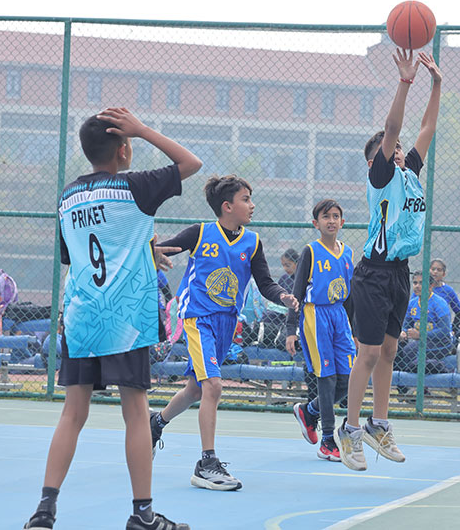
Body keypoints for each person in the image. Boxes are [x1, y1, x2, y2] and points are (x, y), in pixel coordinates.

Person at [24, 107, 201, 530]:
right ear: (124, 149)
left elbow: (85, 254)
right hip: (126, 318)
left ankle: (44, 511)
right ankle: (143, 514)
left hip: (81, 315)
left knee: (72, 413)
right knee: (136, 412)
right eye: (130, 141)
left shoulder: (68, 197)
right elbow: (190, 163)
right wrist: (143, 128)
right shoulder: (136, 186)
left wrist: (144, 250)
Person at [148, 174, 299, 491]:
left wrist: (283, 296)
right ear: (227, 206)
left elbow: (265, 282)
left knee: (195, 390)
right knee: (213, 386)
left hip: (227, 322)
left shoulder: (252, 242)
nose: (252, 205)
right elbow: (162, 250)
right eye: (246, 199)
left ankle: (155, 423)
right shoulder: (200, 233)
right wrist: (152, 250)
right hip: (198, 317)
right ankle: (207, 464)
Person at [335, 48, 442, 472]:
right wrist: (405, 81)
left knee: (390, 351)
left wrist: (437, 84)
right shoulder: (380, 177)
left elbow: (426, 127)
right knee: (367, 353)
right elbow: (394, 126)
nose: (397, 149)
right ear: (375, 159)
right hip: (373, 274)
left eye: (398, 148)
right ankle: (349, 429)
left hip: (399, 273)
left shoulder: (409, 171)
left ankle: (378, 424)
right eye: (390, 147)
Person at [286, 199, 356, 462]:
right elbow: (297, 292)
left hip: (339, 316)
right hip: (315, 315)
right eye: (326, 216)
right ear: (316, 223)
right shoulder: (310, 252)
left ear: (342, 222)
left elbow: (351, 295)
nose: (331, 220)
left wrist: (355, 329)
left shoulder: (348, 253)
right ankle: (328, 440)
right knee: (326, 377)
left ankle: (310, 410)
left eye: (336, 216)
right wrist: (291, 328)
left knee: (348, 378)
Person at [396, 271, 452, 374]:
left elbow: (444, 331)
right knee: (396, 347)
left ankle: (413, 379)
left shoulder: (439, 303)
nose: (417, 286)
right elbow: (406, 325)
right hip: (418, 340)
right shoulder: (412, 303)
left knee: (410, 350)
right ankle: (400, 378)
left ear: (431, 286)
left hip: (439, 343)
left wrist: (421, 335)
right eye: (415, 283)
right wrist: (404, 333)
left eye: (421, 283)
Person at [260, 248, 299, 349]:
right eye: (283, 265)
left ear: (297, 263)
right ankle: (267, 338)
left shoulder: (301, 280)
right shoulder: (284, 279)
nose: (285, 268)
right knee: (267, 316)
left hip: (295, 312)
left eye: (288, 265)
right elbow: (276, 299)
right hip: (281, 312)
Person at [429, 258, 460, 332]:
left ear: (443, 274)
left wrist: (454, 329)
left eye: (439, 270)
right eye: (433, 269)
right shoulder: (422, 288)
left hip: (440, 329)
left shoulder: (448, 291)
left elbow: (459, 312)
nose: (435, 272)